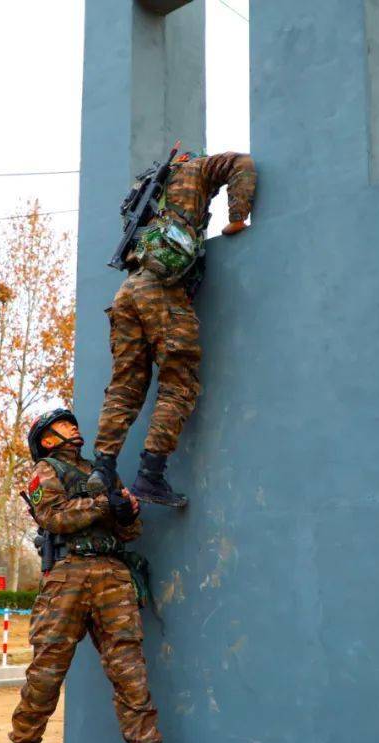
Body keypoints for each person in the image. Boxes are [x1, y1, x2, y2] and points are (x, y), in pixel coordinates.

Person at [0, 408, 181, 743]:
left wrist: (127, 512)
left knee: (131, 675)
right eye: (63, 424)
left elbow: (130, 531)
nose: (73, 426)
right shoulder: (47, 470)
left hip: (113, 576)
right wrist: (103, 505)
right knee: (46, 674)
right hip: (67, 577)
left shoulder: (104, 471)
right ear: (46, 439)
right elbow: (54, 517)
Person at [92, 149, 257, 508]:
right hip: (161, 290)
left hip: (128, 291)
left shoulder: (146, 191)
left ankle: (101, 469)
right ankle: (150, 475)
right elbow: (240, 163)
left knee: (125, 386)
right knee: (179, 382)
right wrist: (237, 218)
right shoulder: (197, 168)